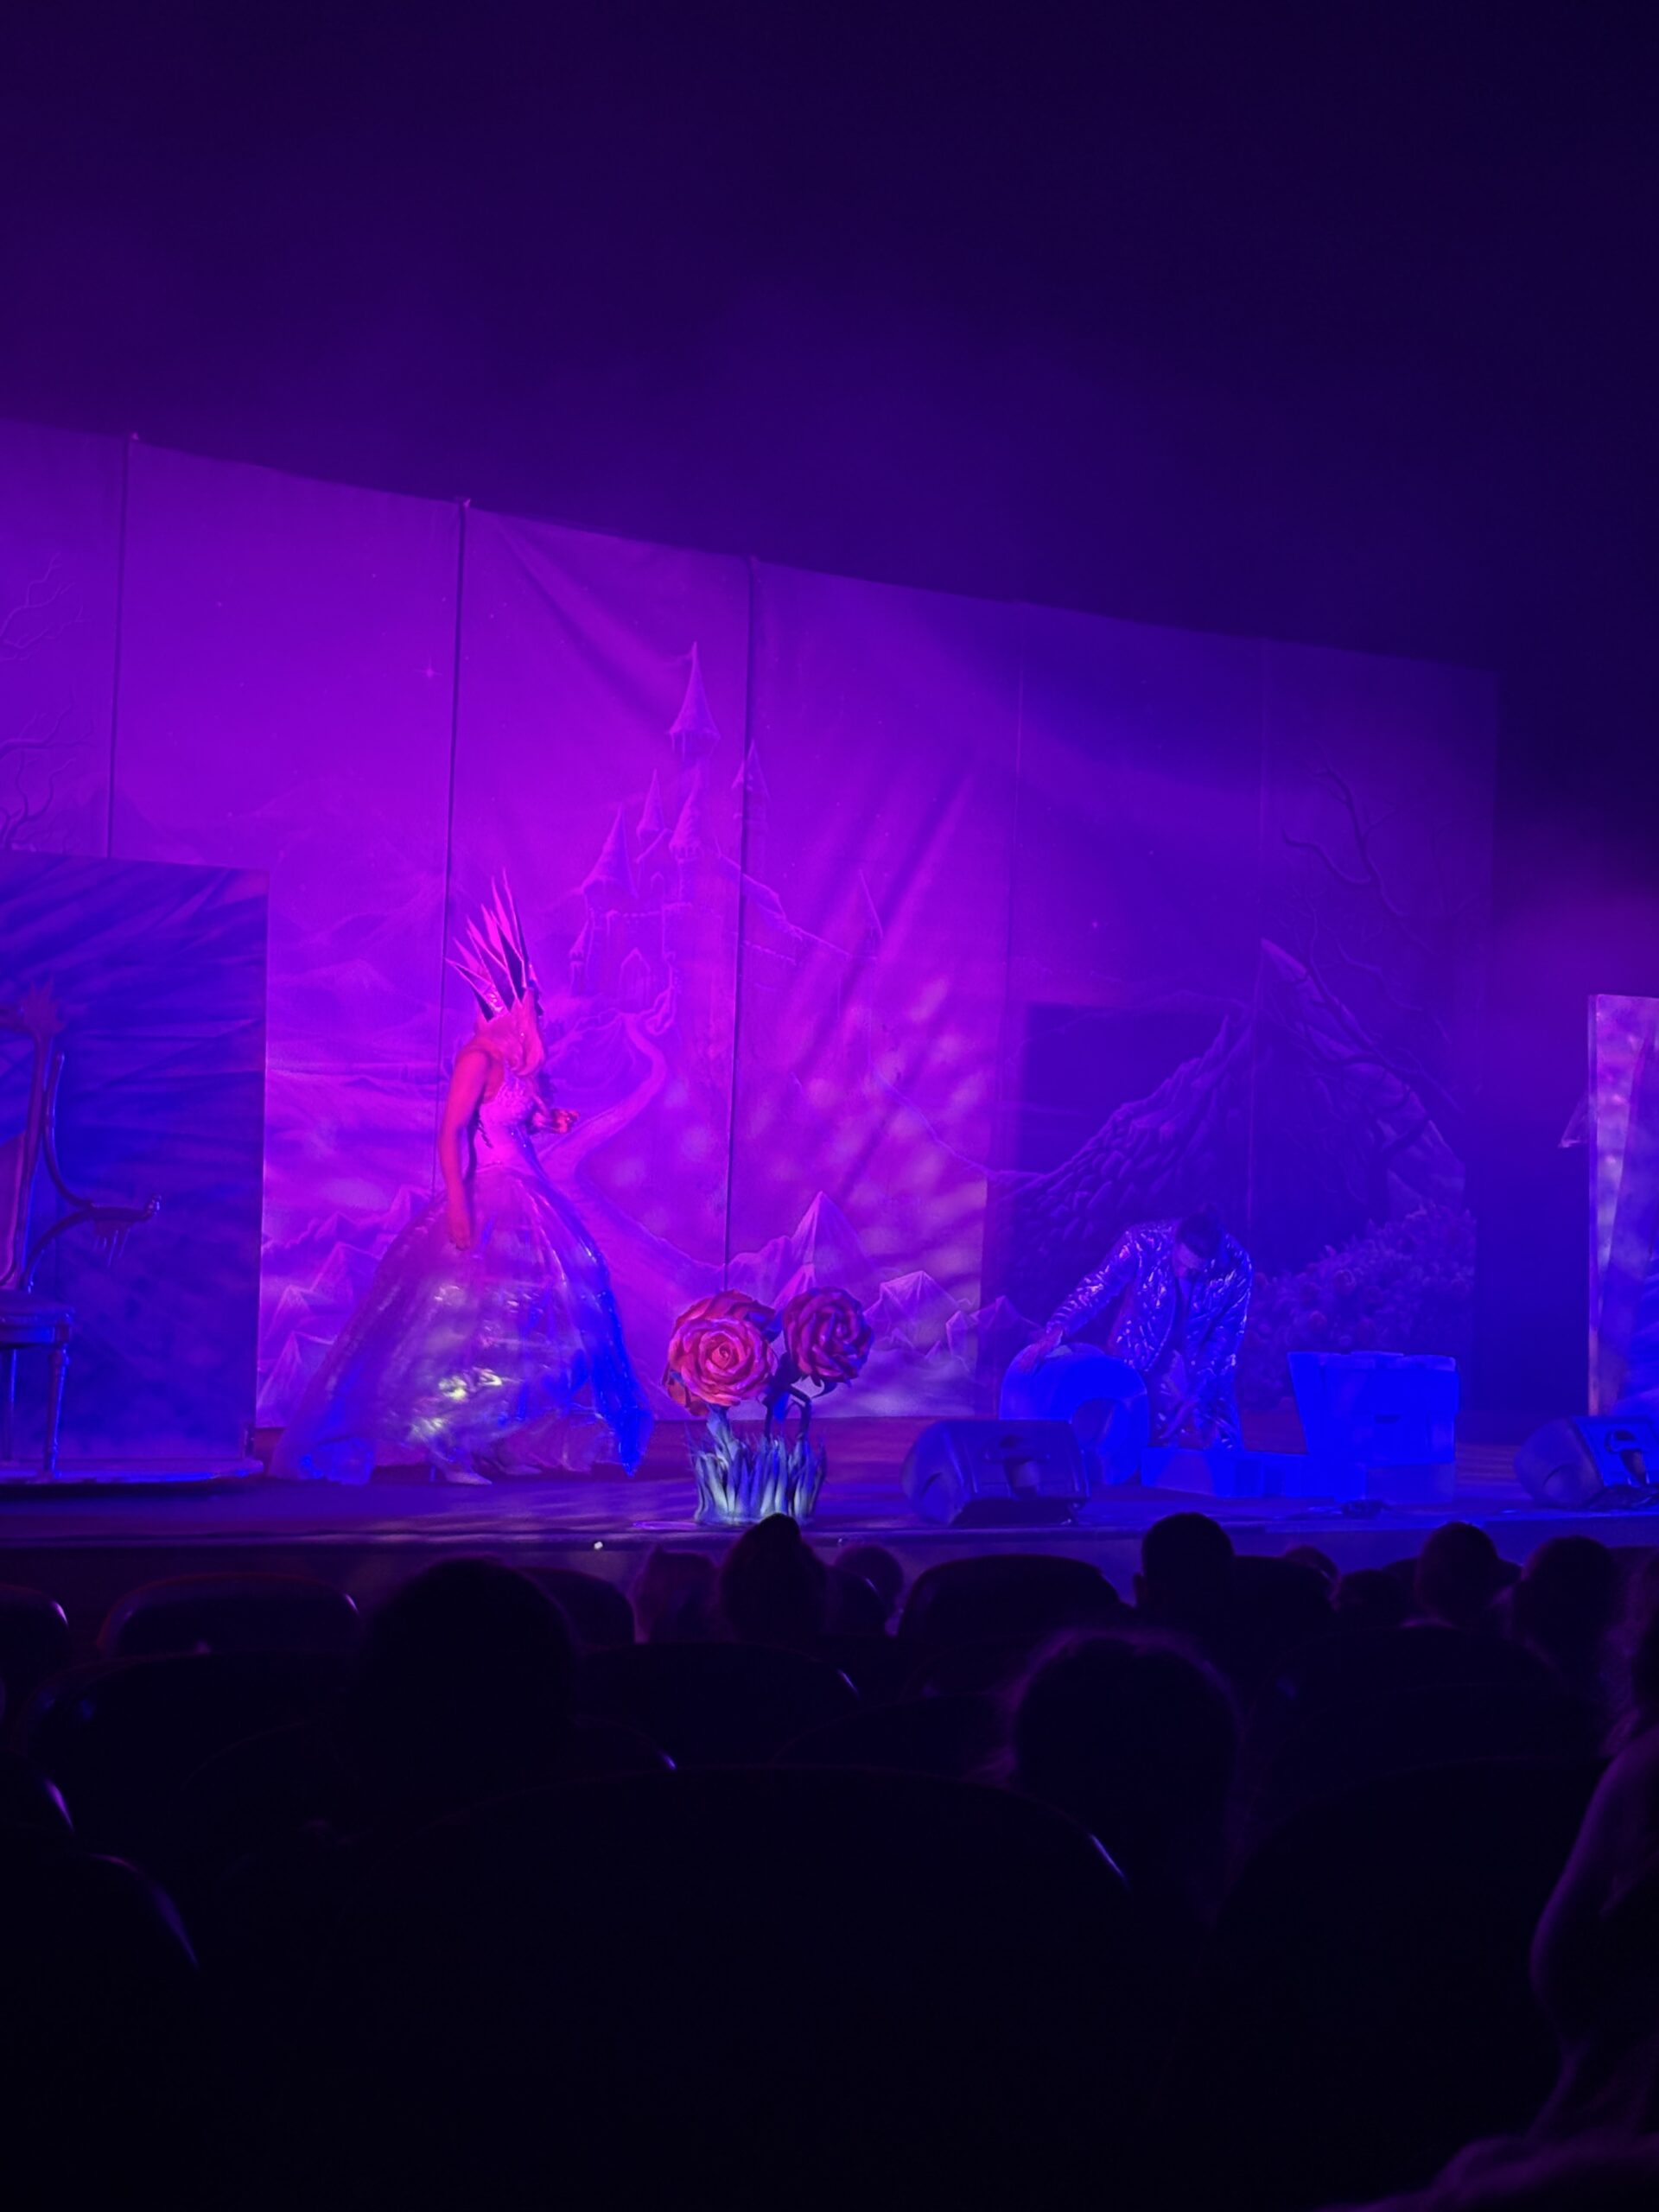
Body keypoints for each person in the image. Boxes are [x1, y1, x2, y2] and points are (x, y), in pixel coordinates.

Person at [276, 880, 652, 1484]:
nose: (536, 1010)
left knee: (521, 1323)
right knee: (468, 1326)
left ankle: (495, 1439)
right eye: (527, 1000)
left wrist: (549, 1121)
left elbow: (512, 1120)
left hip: (529, 1196)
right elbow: (453, 1131)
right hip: (491, 1195)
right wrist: (456, 1203)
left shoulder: (514, 1065)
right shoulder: (477, 1058)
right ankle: (449, 1445)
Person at [1016, 1205, 1252, 1448]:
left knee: (1219, 1450)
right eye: (1180, 1263)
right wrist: (1060, 1328)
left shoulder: (1237, 1268)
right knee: (1133, 1444)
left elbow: (1225, 1338)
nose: (1183, 1273)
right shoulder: (1142, 1242)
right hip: (1139, 1358)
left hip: (1200, 1369)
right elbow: (1099, 1286)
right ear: (1175, 1241)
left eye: (1194, 1271)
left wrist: (1197, 1395)